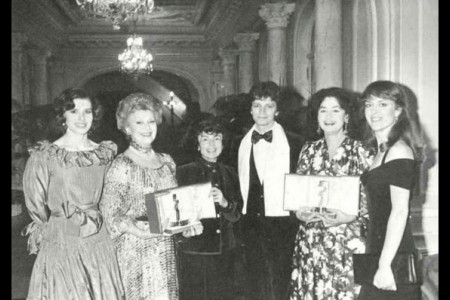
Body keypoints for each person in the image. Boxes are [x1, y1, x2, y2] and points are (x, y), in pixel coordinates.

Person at [21, 88, 125, 300]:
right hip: (62, 239)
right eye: (74, 111)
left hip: (98, 237)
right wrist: (50, 228)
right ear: (63, 116)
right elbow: (35, 201)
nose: (81, 118)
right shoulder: (46, 154)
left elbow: (113, 195)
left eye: (87, 112)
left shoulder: (103, 153)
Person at [100, 93, 201, 300]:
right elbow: (110, 215)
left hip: (164, 249)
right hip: (134, 249)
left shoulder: (167, 161)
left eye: (151, 121)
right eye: (139, 122)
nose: (147, 128)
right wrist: (138, 230)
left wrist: (187, 228)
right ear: (127, 128)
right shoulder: (121, 165)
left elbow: (174, 210)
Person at [289, 87, 372, 300]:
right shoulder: (309, 149)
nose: (328, 116)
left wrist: (352, 215)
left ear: (346, 115)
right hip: (311, 242)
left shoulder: (362, 150)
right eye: (322, 110)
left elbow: (375, 199)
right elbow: (300, 194)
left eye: (335, 110)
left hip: (347, 242)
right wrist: (299, 212)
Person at [237, 81, 304, 300]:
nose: (263, 112)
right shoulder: (238, 143)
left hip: (283, 223)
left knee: (281, 279)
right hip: (250, 222)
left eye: (269, 106)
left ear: (278, 109)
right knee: (254, 279)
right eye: (257, 105)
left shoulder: (295, 143)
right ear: (250, 109)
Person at [358, 80, 422, 300]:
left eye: (383, 104)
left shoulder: (399, 152)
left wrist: (384, 266)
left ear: (398, 111)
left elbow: (399, 212)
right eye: (369, 104)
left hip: (392, 256)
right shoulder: (380, 154)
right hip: (378, 248)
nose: (374, 111)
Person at [176, 117, 245, 300]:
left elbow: (237, 214)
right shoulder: (183, 172)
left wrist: (225, 203)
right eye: (205, 139)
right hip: (195, 251)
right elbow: (174, 214)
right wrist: (183, 231)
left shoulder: (231, 172)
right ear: (197, 144)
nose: (211, 144)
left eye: (216, 138)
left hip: (225, 252)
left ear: (223, 142)